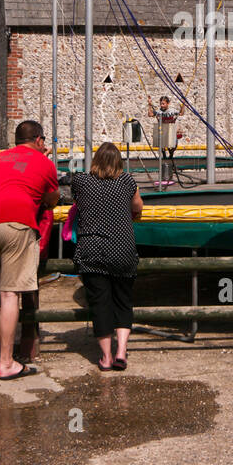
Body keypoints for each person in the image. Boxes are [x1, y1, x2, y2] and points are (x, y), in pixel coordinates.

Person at [0, 119, 57, 380]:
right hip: (17, 222)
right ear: (40, 141)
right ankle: (8, 362)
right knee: (11, 295)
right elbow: (51, 199)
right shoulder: (45, 162)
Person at [70, 142, 143, 371]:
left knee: (100, 303)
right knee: (123, 300)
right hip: (122, 247)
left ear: (95, 160)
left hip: (92, 249)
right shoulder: (127, 181)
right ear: (118, 162)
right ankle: (121, 351)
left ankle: (106, 357)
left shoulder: (81, 180)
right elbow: (138, 207)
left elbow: (76, 202)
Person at [147, 95, 184, 172]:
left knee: (173, 146)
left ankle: (170, 155)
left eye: (163, 104)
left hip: (171, 131)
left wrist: (183, 105)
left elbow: (181, 113)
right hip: (163, 131)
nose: (162, 105)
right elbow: (150, 114)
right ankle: (164, 155)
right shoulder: (158, 112)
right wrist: (150, 105)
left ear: (168, 103)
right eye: (161, 104)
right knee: (162, 146)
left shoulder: (172, 111)